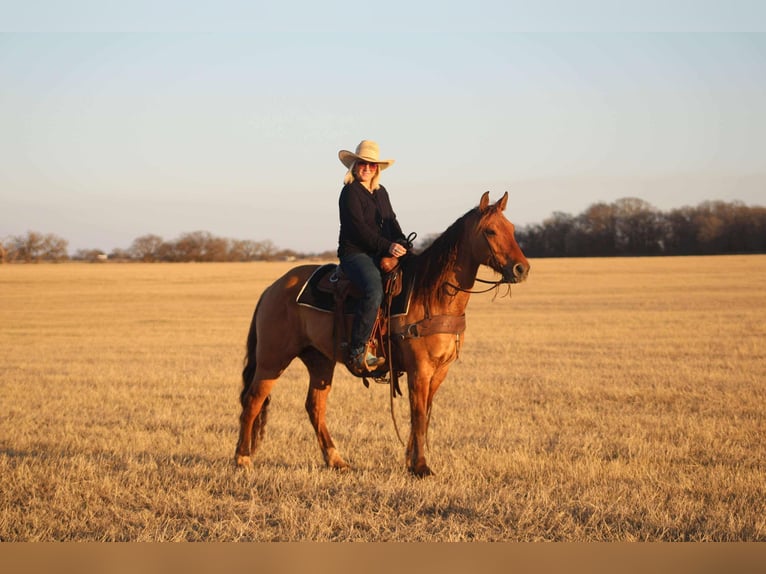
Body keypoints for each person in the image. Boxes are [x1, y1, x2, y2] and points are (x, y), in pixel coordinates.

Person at [337, 140, 408, 373]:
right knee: (374, 289)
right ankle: (358, 351)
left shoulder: (381, 192)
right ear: (355, 166)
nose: (367, 168)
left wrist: (402, 242)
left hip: (380, 250)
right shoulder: (349, 193)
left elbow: (391, 221)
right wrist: (388, 246)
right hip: (355, 253)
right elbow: (358, 230)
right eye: (363, 164)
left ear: (377, 168)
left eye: (372, 165)